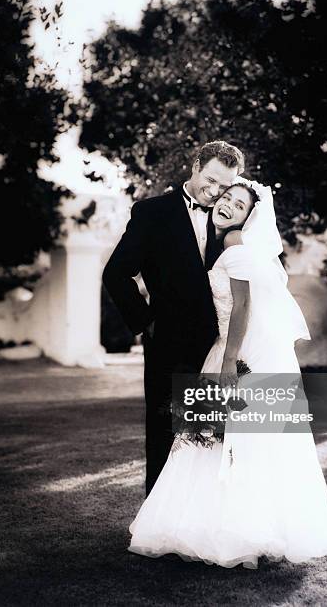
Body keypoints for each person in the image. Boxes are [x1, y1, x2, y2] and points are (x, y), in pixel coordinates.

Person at [128, 179, 327, 567]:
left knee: (221, 443)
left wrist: (230, 361)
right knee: (220, 443)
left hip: (234, 353)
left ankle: (226, 531)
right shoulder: (231, 244)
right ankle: (225, 527)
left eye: (238, 205)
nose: (227, 205)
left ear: (249, 217)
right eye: (226, 198)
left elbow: (243, 306)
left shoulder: (234, 244)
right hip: (228, 348)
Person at [103, 141, 246, 496]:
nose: (214, 193)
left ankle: (201, 526)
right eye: (210, 180)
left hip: (217, 347)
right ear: (196, 165)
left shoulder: (232, 222)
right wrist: (147, 323)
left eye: (224, 187)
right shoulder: (152, 213)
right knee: (164, 432)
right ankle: (157, 528)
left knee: (212, 438)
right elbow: (116, 273)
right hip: (167, 342)